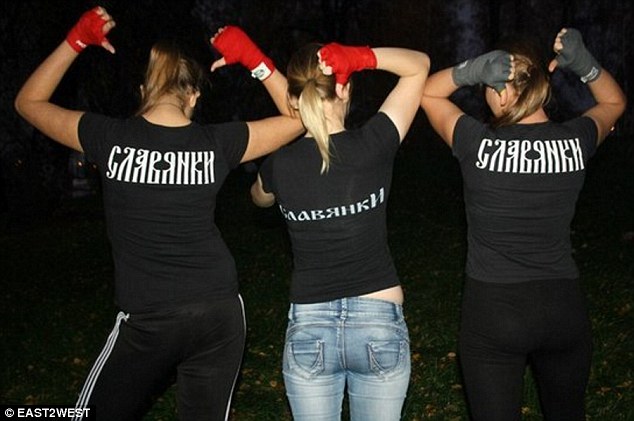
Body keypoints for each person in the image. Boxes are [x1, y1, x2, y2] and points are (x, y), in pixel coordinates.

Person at [14, 7, 303, 421]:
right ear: (194, 96)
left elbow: (27, 102)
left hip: (149, 319)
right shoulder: (217, 143)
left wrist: (74, 40)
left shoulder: (107, 138)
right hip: (218, 313)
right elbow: (301, 117)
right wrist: (253, 58)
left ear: (143, 90)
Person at [420, 28, 626, 420]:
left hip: (494, 313)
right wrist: (586, 66)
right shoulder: (574, 140)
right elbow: (614, 101)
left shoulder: (476, 142)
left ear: (500, 93)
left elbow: (428, 93)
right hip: (563, 310)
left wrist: (469, 70)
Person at [249, 40, 430, 420]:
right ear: (344, 90)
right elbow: (418, 65)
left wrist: (259, 65)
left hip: (309, 326)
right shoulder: (375, 143)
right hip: (378, 321)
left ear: (294, 101)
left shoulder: (279, 166)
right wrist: (361, 57)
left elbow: (259, 199)